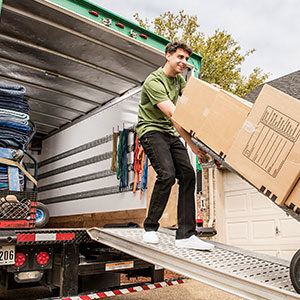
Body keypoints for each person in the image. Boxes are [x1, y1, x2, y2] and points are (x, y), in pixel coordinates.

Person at [136, 41, 214, 251]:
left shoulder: (178, 80)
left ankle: (185, 235)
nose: (184, 62)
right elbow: (175, 114)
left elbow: (193, 100)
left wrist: (212, 93)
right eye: (180, 57)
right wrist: (192, 144)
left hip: (169, 133)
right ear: (168, 55)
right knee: (167, 175)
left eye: (187, 59)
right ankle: (150, 228)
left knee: (188, 175)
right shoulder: (154, 81)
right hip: (151, 131)